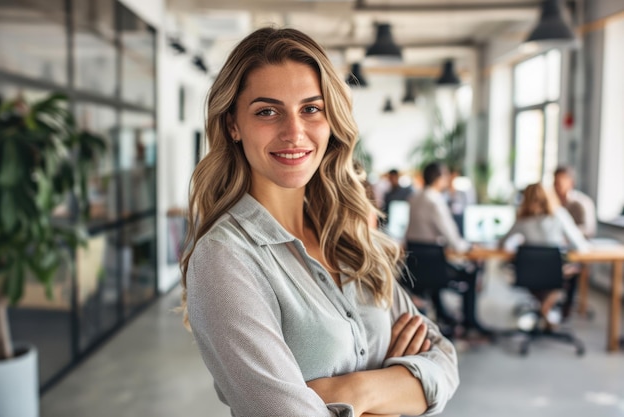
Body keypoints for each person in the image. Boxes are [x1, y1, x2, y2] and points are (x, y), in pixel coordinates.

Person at [179, 27, 458, 417]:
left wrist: (353, 391)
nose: (294, 132)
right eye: (267, 111)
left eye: (311, 109)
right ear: (232, 125)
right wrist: (397, 392)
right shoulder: (223, 258)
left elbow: (443, 360)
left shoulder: (350, 234)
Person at [404, 161, 488, 337]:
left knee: (433, 279)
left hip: (415, 265)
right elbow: (454, 241)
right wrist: (470, 246)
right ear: (440, 178)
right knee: (471, 273)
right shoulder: (436, 201)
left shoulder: (414, 198)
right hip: (434, 267)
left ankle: (444, 316)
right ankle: (469, 323)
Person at [499, 183, 590, 325]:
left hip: (528, 273)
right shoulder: (559, 215)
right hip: (556, 273)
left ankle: (544, 308)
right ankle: (547, 309)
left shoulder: (522, 219)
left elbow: (502, 243)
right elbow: (580, 246)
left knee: (539, 278)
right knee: (574, 269)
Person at [553, 165, 597, 238]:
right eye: (555, 183)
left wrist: (567, 232)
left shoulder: (583, 203)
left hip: (578, 245)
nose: (556, 187)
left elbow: (588, 230)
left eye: (559, 184)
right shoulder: (552, 202)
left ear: (571, 183)